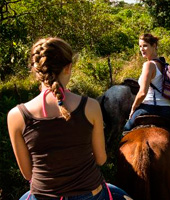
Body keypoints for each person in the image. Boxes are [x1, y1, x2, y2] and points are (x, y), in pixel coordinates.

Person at [7, 37, 131, 200]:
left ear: (36, 70)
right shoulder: (91, 106)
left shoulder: (16, 115)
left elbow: (27, 173)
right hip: (90, 194)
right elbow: (101, 159)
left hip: (43, 195)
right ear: (68, 67)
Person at [123, 33, 170, 164]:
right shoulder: (166, 66)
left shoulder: (148, 65)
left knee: (125, 131)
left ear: (154, 46)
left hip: (147, 108)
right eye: (140, 46)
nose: (142, 49)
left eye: (145, 46)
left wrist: (133, 109)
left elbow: (142, 93)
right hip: (167, 111)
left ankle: (117, 160)